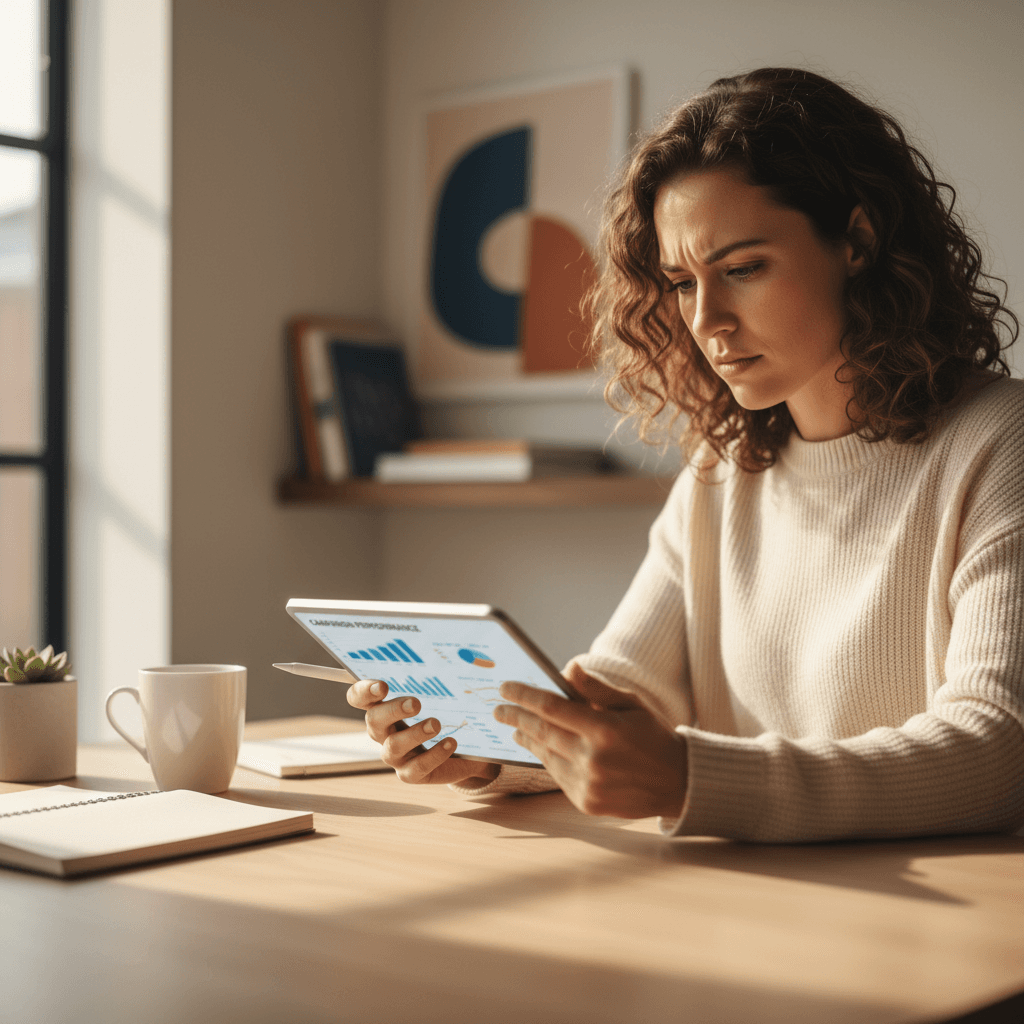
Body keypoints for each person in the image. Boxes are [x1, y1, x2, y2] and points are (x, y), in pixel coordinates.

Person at [349, 67, 1024, 843]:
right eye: (679, 281)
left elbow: (998, 749)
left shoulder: (1002, 443)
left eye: (742, 269)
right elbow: (621, 702)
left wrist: (692, 779)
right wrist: (487, 750)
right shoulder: (721, 468)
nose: (708, 320)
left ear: (859, 241)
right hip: (754, 910)